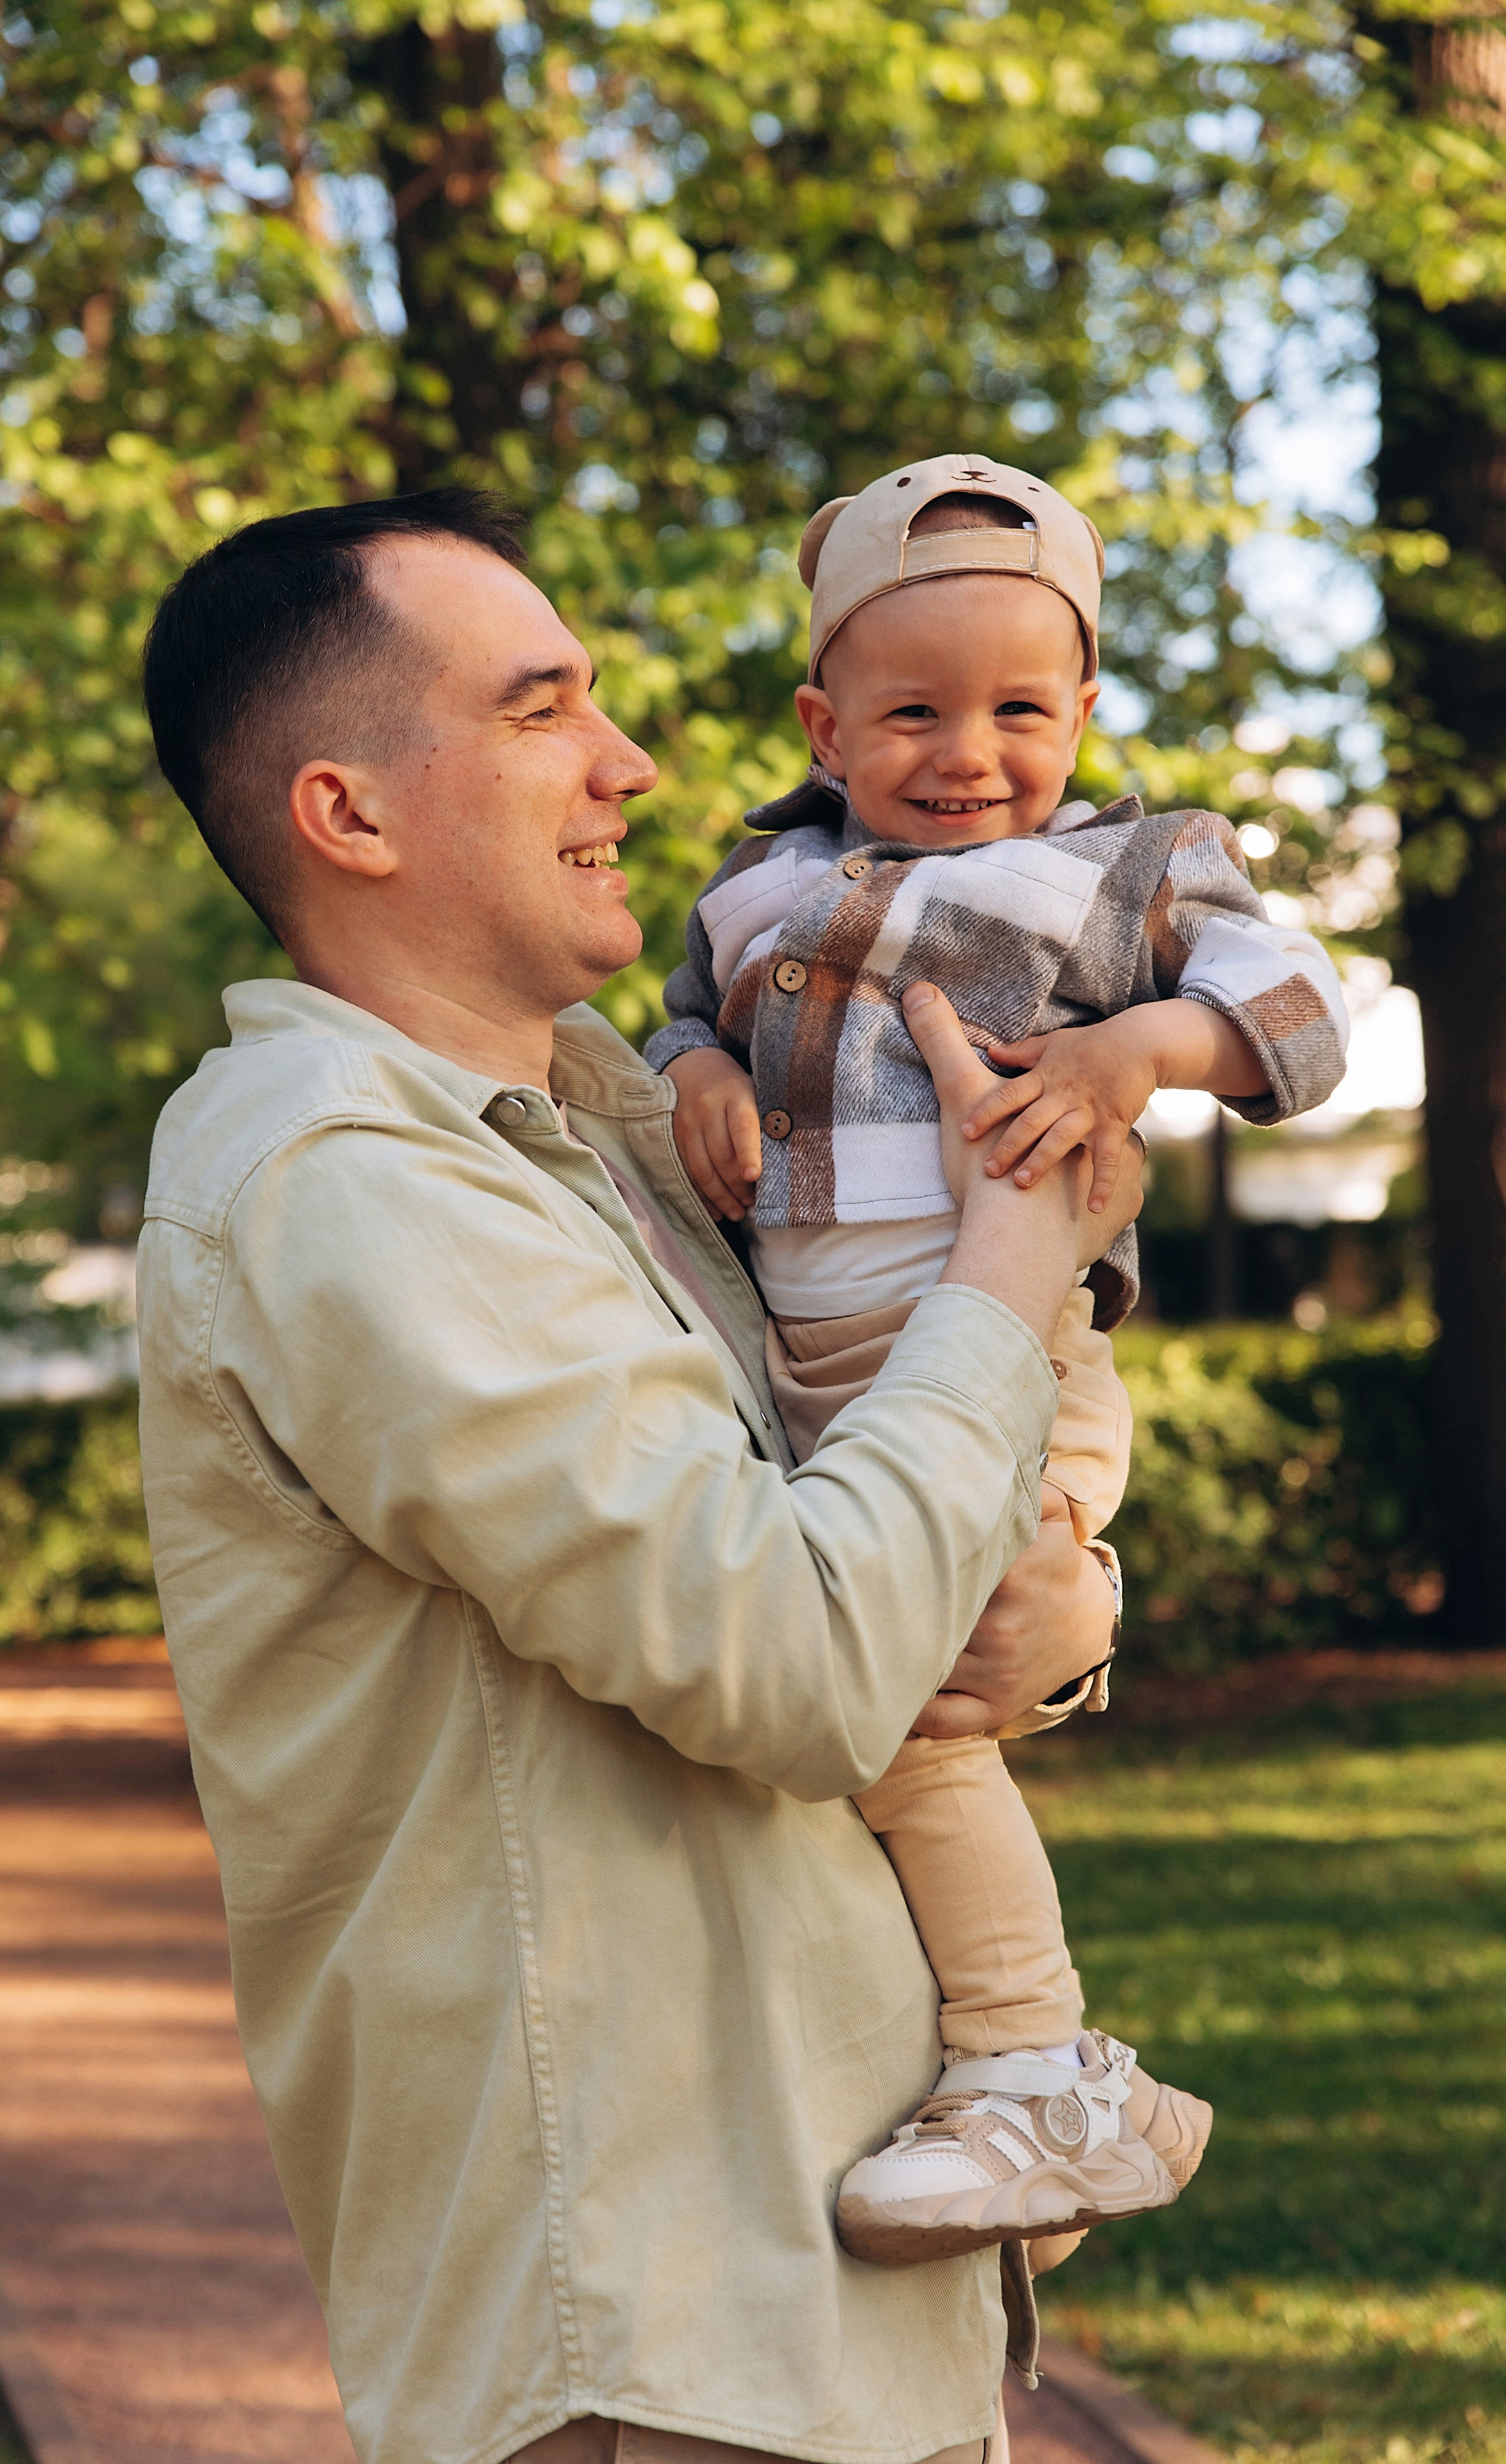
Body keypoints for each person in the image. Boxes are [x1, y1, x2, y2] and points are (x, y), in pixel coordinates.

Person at [135, 487, 1143, 2464]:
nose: (636, 763)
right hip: (656, 2320)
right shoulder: (344, 1175)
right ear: (351, 813)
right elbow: (796, 1659)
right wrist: (1012, 1264)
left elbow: (880, 1558)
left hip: (811, 2283)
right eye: (545, 712)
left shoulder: (613, 1124)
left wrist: (1065, 1605)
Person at [646, 452, 1349, 2267]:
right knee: (850, 1709)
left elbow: (1301, 1012)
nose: (971, 752)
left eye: (1022, 709)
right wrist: (702, 1080)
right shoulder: (752, 892)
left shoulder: (1129, 866)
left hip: (1015, 1345)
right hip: (815, 1379)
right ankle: (1006, 2093)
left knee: (913, 1723)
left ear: (1087, 710)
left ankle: (1037, 2072)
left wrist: (1145, 1054)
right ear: (823, 720)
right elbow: (671, 1032)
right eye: (915, 711)